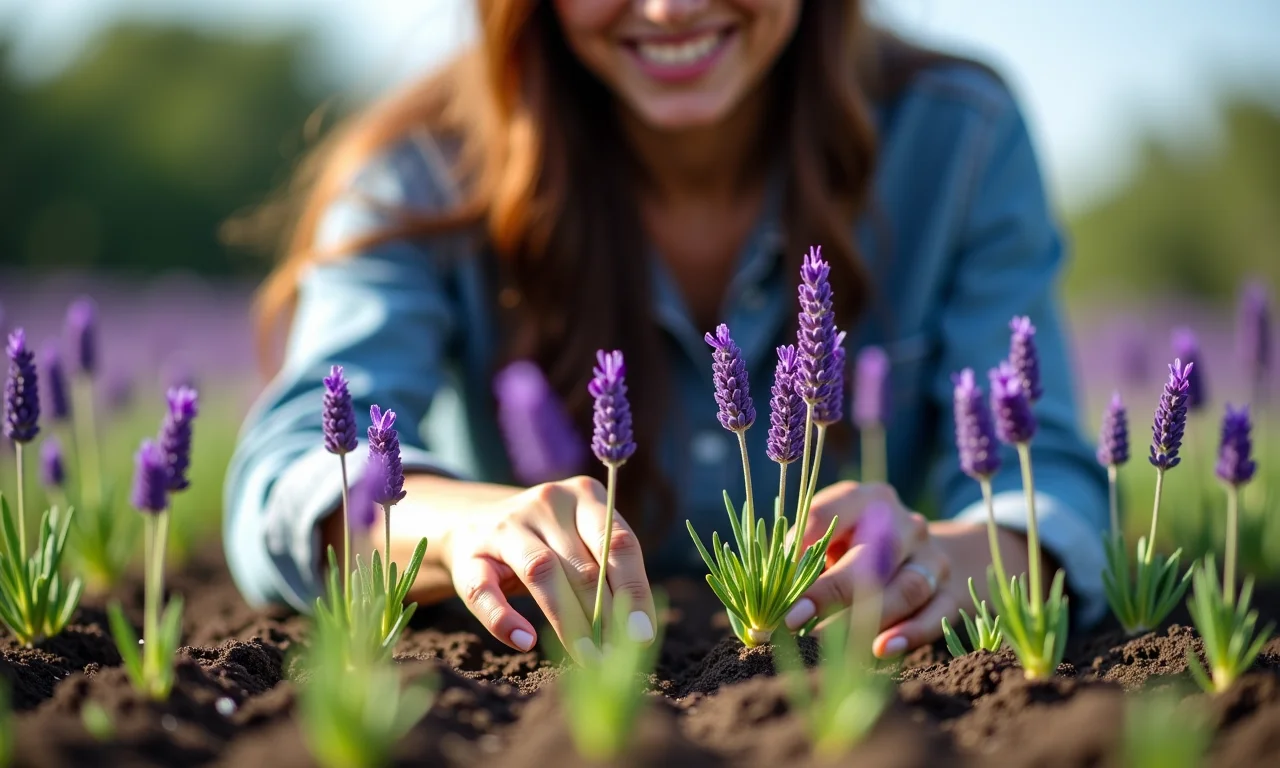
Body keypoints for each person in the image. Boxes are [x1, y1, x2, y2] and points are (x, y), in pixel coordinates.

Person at [225, 0, 1107, 662]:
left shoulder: (959, 141)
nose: (670, 9)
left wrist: (962, 556)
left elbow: (1049, 480)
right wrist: (466, 527)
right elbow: (295, 466)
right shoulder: (420, 170)